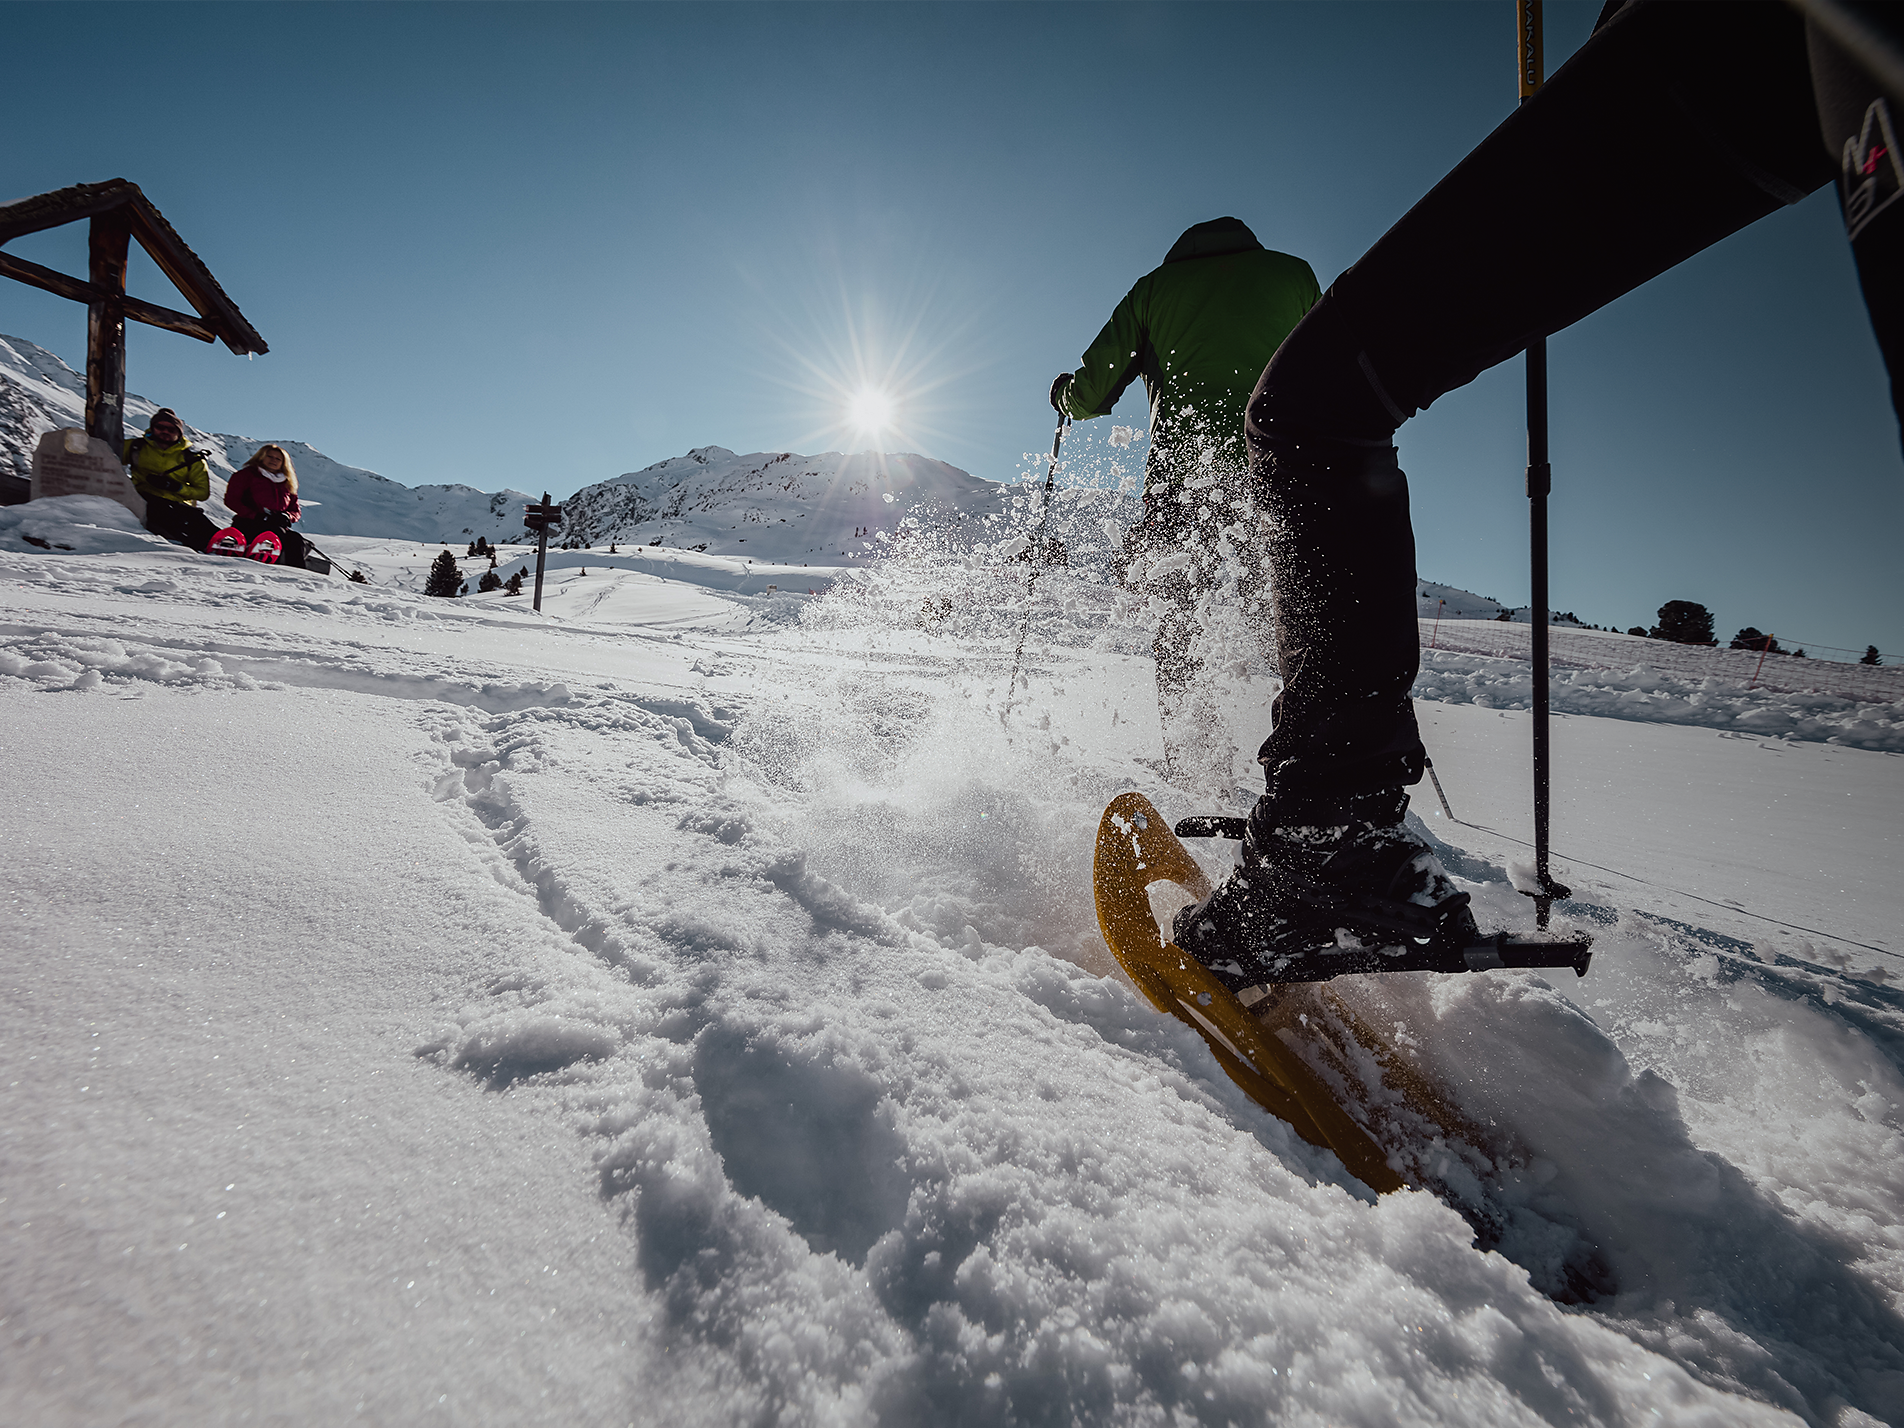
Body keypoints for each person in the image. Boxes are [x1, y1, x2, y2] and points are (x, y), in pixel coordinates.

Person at [1173, 0, 1904, 982]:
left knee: (1314, 408)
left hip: (1726, 50)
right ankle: (1324, 835)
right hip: (1712, 52)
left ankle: (1322, 843)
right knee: (1314, 406)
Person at [1051, 217, 1321, 794]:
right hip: (1277, 467)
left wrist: (1066, 395)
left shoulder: (1154, 290)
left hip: (1187, 476)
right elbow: (1331, 369)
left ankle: (1193, 761)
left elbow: (1095, 389)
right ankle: (1313, 775)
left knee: (1183, 615)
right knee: (1295, 617)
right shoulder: (1294, 276)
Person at [123, 409, 218, 551]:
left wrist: (176, 487)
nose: (165, 432)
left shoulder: (191, 458)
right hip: (144, 499)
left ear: (179, 433)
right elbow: (108, 460)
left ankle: (226, 544)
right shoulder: (135, 447)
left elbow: (202, 493)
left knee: (199, 523)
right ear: (152, 428)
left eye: (171, 429)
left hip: (179, 505)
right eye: (160, 427)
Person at [224, 444, 310, 567]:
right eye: (269, 456)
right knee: (278, 535)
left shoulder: (287, 483)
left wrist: (286, 516)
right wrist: (255, 515)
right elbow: (232, 500)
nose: (273, 460)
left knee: (295, 539)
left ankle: (296, 573)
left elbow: (295, 510)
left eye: (278, 459)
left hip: (276, 526)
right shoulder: (246, 475)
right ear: (261, 457)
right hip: (248, 523)